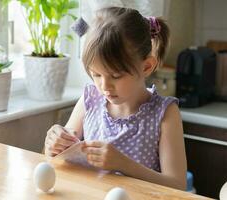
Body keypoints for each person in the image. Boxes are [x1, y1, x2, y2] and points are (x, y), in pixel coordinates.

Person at [44, 7, 187, 190]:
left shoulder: (165, 113)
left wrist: (123, 164)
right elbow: (59, 158)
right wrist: (53, 145)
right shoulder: (90, 99)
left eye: (116, 76)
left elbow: (177, 185)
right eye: (96, 75)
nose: (104, 86)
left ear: (146, 67)